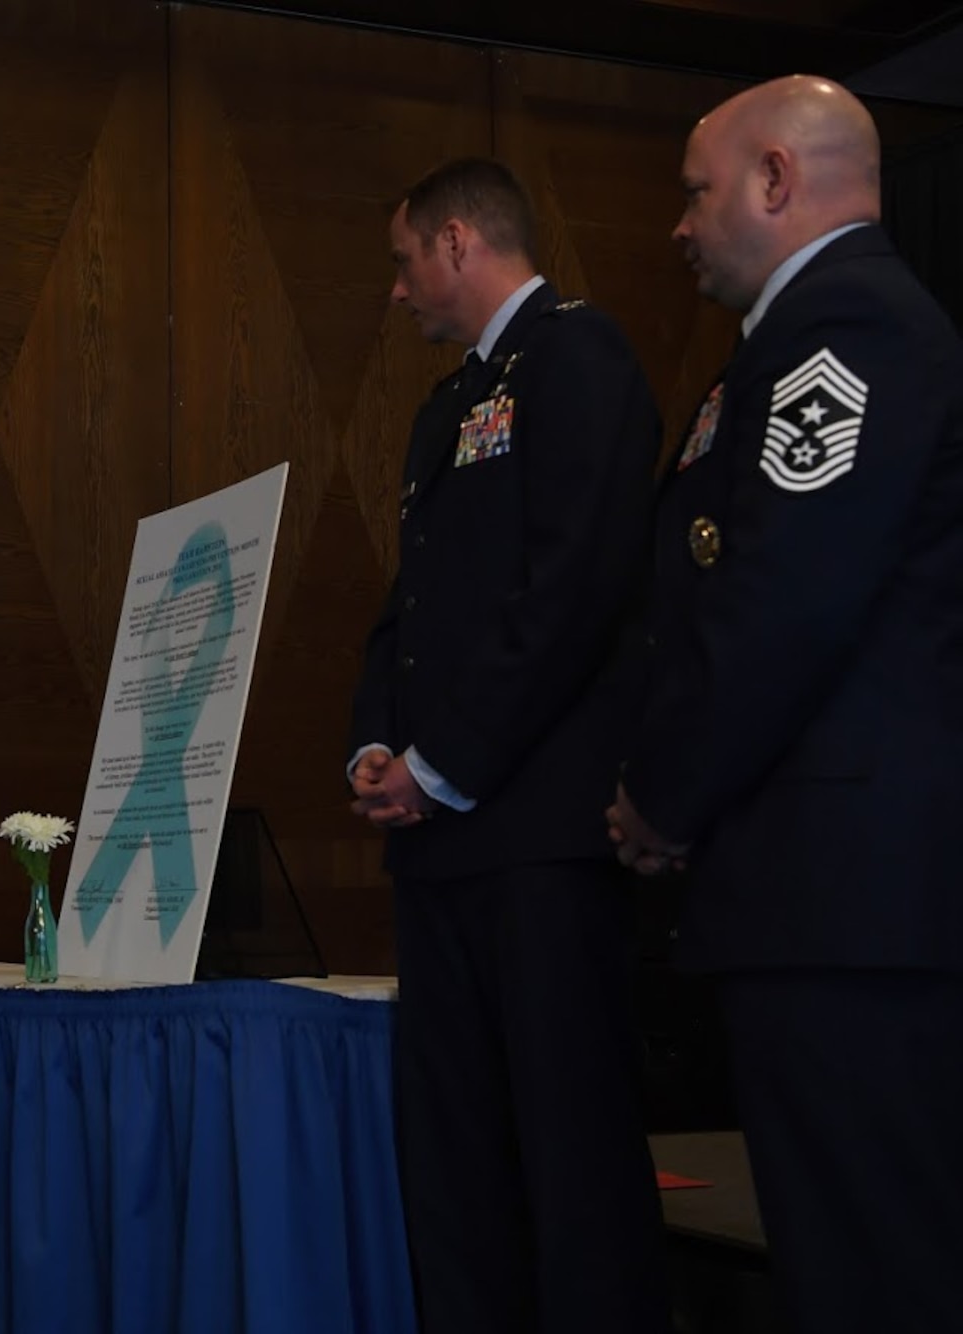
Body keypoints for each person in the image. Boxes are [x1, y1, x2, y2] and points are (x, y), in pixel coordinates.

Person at [609, 75, 963, 1333]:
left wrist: (660, 792)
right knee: (835, 1252)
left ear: (773, 178)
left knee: (873, 1264)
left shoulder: (847, 328)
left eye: (695, 190)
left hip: (847, 900)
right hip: (817, 895)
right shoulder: (789, 338)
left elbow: (780, 603)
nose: (679, 222)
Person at [348, 159, 670, 1334]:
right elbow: (413, 608)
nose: (396, 291)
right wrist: (374, 746)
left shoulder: (576, 356)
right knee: (456, 1165)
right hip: (437, 848)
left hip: (536, 837)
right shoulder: (446, 407)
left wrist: (443, 766)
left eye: (400, 260)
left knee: (568, 1161)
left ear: (453, 241)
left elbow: (573, 585)